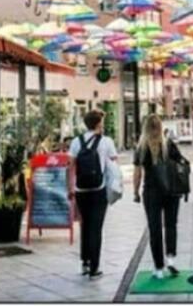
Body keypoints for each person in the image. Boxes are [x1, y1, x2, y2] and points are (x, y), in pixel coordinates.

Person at [133, 114, 186, 279]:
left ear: (145, 128)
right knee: (171, 225)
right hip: (171, 191)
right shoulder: (169, 144)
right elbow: (182, 164)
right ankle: (171, 259)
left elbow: (137, 173)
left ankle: (158, 268)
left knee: (154, 229)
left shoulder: (141, 148)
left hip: (151, 192)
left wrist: (135, 192)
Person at [69, 109, 118, 279]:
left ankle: (85, 262)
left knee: (85, 226)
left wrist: (70, 187)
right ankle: (94, 268)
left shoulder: (76, 141)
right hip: (99, 189)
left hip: (81, 190)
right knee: (96, 228)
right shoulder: (106, 142)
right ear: (98, 124)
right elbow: (113, 164)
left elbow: (71, 166)